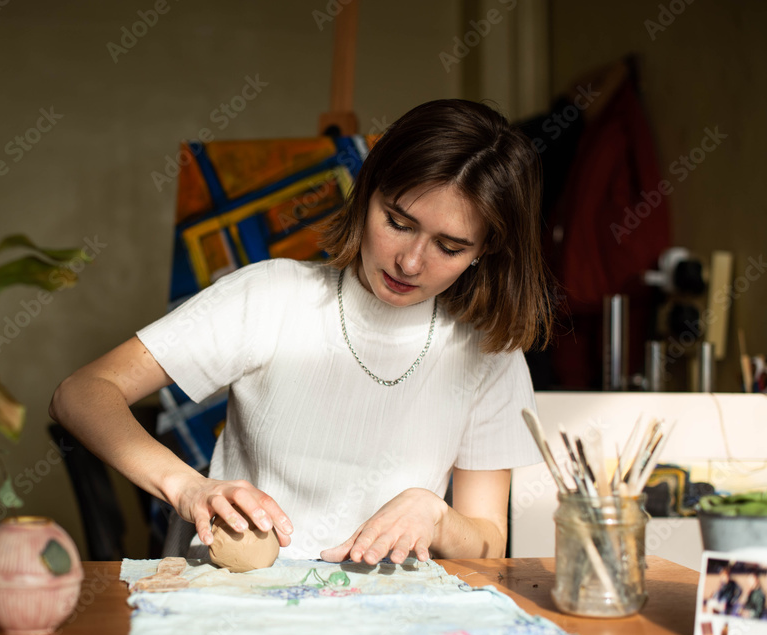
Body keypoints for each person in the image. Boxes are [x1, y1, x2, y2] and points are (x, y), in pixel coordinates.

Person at [49, 99, 553, 565]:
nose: (411, 261)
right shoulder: (272, 297)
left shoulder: (488, 351)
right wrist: (187, 488)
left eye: (450, 246)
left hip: (381, 628)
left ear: (486, 249)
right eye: (398, 222)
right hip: (226, 611)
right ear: (368, 192)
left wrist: (436, 514)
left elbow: (488, 540)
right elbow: (82, 393)